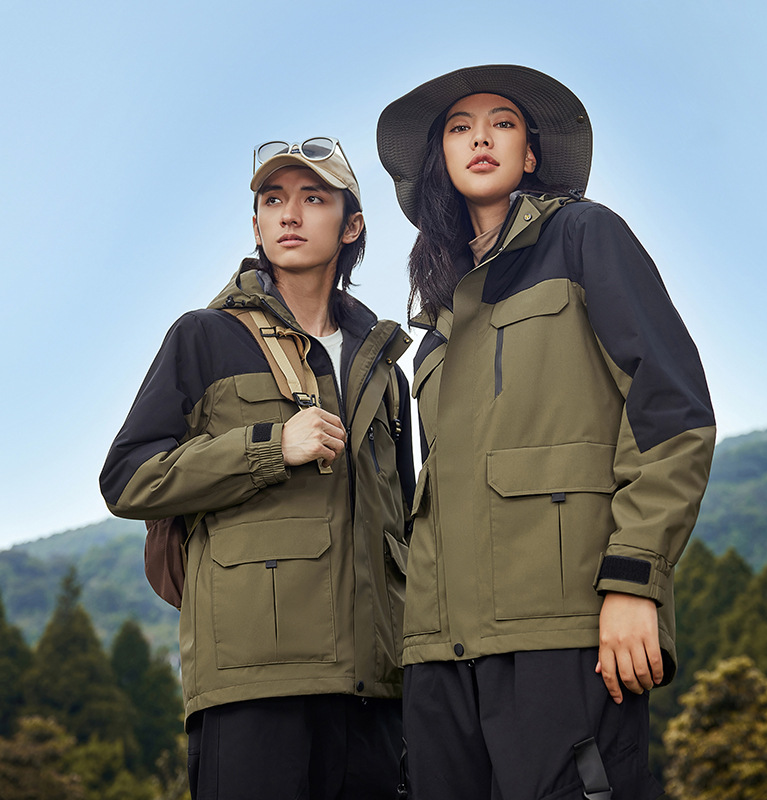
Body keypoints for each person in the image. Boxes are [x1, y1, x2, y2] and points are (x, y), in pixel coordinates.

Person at [377, 65, 715, 799]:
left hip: (566, 630)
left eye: (501, 124)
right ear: (441, 159)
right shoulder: (435, 327)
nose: (481, 139)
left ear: (530, 153)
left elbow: (671, 411)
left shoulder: (586, 236)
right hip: (439, 655)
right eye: (460, 129)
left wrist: (633, 583)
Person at [100, 137, 414, 799]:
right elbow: (127, 478)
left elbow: (408, 524)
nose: (289, 215)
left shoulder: (384, 368)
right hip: (252, 683)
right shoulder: (205, 336)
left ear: (352, 225)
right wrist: (270, 446)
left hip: (377, 693)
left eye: (313, 199)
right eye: (273, 201)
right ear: (256, 225)